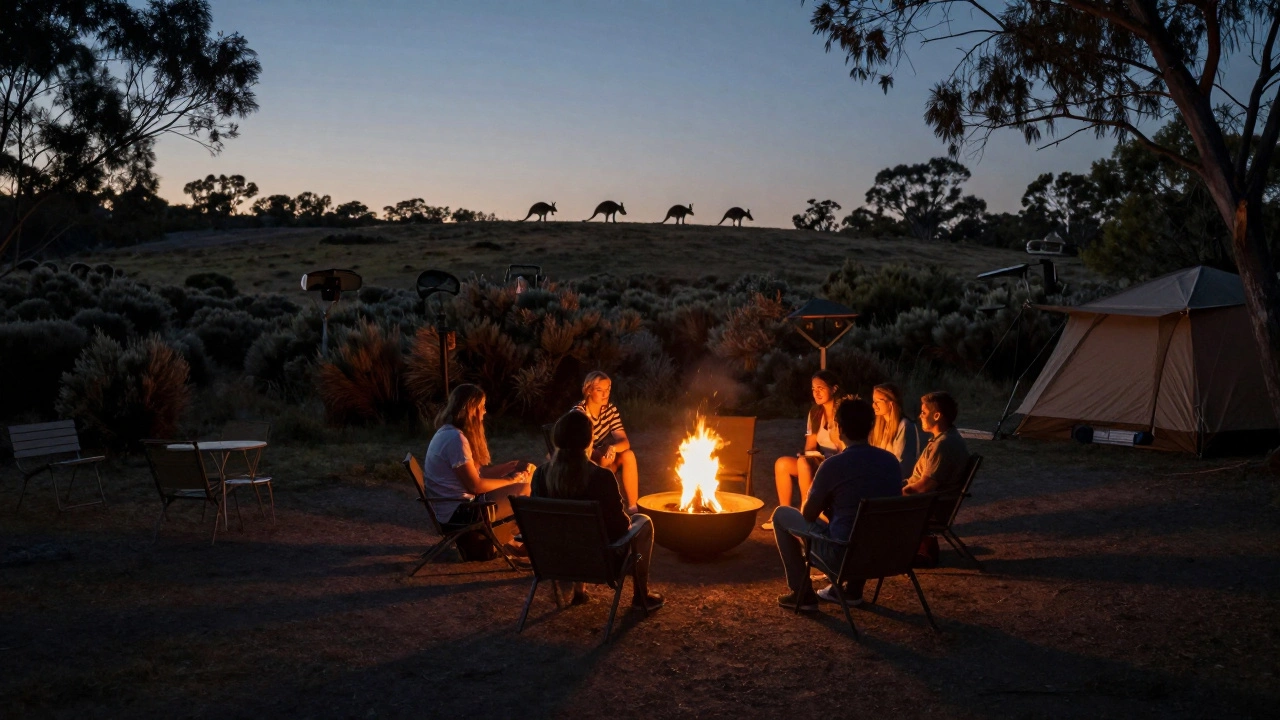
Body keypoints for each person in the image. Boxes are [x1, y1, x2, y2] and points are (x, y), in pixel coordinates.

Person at [770, 399, 902, 611]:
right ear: (871, 426)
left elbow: (809, 514)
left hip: (842, 558)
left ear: (839, 428)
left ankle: (802, 593)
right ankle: (852, 590)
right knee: (860, 525)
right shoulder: (890, 462)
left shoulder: (833, 465)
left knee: (781, 515)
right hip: (883, 555)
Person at [531, 411, 664, 611]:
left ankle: (579, 592)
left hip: (554, 560)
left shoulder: (541, 474)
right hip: (599, 563)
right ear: (588, 440)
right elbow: (619, 528)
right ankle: (640, 597)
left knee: (574, 531)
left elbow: (538, 522)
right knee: (643, 522)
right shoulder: (600, 477)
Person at [423, 384, 533, 551]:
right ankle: (516, 541)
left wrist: (510, 467)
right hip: (460, 514)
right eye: (482, 407)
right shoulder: (455, 439)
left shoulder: (448, 432)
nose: (484, 412)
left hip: (458, 508)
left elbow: (479, 473)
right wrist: (511, 480)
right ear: (471, 410)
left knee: (523, 484)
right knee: (525, 489)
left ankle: (511, 541)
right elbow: (475, 485)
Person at [763, 369, 846, 530]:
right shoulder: (815, 412)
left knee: (803, 464)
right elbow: (810, 445)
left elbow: (846, 447)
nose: (816, 393)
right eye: (813, 389)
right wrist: (806, 454)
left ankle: (805, 512)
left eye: (820, 388)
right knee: (782, 464)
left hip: (837, 463)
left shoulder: (843, 411)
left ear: (833, 389)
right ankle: (784, 513)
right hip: (820, 460)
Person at [572, 371, 640, 513]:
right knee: (604, 458)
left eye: (608, 389)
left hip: (603, 460)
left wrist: (613, 448)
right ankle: (610, 508)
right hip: (582, 463)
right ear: (588, 390)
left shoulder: (610, 410)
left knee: (628, 455)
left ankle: (633, 508)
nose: (605, 394)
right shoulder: (579, 414)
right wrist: (602, 452)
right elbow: (580, 449)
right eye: (600, 390)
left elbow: (624, 442)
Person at [903, 391, 970, 496]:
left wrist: (897, 492)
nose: (920, 416)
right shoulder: (948, 437)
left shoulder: (943, 445)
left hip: (921, 504)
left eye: (924, 412)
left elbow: (924, 486)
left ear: (936, 416)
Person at [869, 382, 921, 480]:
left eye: (878, 401)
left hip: (896, 481)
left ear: (891, 403)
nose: (874, 405)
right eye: (873, 401)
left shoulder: (904, 426)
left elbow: (902, 464)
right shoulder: (880, 427)